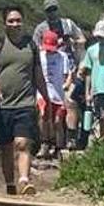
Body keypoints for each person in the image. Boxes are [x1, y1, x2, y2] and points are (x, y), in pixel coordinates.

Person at [0, 4, 46, 195]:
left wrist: (46, 98)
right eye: (11, 21)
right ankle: (10, 184)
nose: (15, 24)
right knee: (6, 147)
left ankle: (24, 180)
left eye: (18, 20)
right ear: (4, 23)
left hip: (25, 103)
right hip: (2, 104)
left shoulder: (31, 46)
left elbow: (38, 74)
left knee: (22, 143)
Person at [36, 28, 72, 160]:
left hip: (58, 94)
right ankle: (44, 143)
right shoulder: (39, 56)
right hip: (43, 93)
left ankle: (58, 146)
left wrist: (67, 84)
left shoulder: (62, 57)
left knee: (57, 121)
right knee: (43, 116)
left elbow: (68, 74)